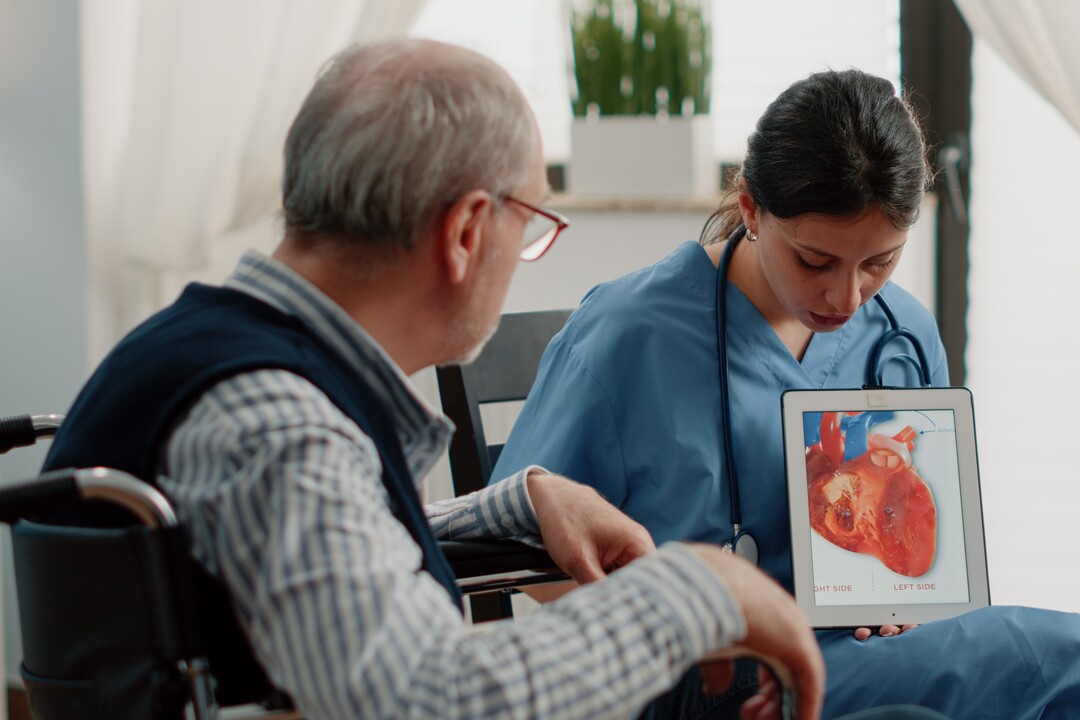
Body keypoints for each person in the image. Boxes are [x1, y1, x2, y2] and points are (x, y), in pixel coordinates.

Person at [39, 39, 952, 720]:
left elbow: (303, 556)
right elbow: (425, 698)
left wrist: (513, 503)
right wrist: (698, 592)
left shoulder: (218, 365)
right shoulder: (278, 422)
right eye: (533, 225)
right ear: (468, 230)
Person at [492, 67, 1080, 719]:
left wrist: (903, 606)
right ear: (750, 207)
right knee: (1059, 663)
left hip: (858, 669)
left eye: (879, 263)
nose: (846, 298)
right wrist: (713, 625)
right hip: (705, 681)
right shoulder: (626, 335)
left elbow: (918, 555)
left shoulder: (904, 333)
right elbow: (531, 561)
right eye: (815, 260)